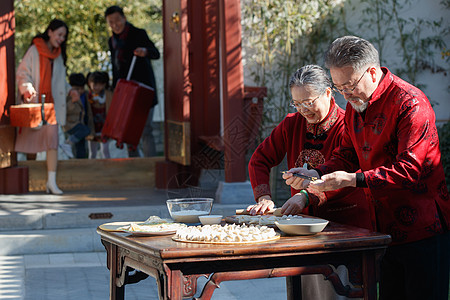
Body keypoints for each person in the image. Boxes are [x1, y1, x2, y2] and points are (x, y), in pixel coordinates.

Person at [284, 36, 450, 300]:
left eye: (349, 85)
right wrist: (317, 173)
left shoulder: (410, 103)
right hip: (381, 230)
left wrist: (352, 180)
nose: (345, 95)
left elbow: (410, 169)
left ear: (372, 72)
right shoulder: (354, 106)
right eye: (339, 88)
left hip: (422, 228)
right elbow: (347, 155)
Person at [248, 65, 371, 300]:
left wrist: (305, 194)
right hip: (300, 226)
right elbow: (259, 160)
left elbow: (344, 175)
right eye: (297, 103)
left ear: (328, 93)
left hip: (343, 226)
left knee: (337, 291)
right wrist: (263, 197)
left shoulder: (348, 125)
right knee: (302, 291)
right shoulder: (292, 124)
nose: (304, 110)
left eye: (308, 102)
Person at [15, 19, 76, 195]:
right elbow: (22, 73)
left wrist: (71, 90)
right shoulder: (34, 50)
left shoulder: (58, 56)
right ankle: (29, 182)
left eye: (64, 36)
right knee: (30, 145)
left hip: (51, 108)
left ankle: (51, 182)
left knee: (53, 143)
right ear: (49, 32)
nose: (62, 39)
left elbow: (60, 82)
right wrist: (27, 88)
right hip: (34, 105)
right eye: (59, 34)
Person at [104, 5, 160, 157]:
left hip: (143, 90)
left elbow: (156, 53)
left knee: (146, 129)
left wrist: (145, 51)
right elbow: (116, 68)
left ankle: (151, 164)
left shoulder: (138, 34)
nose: (115, 25)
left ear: (124, 18)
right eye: (111, 22)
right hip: (125, 93)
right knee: (127, 129)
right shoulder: (112, 41)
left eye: (117, 20)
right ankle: (133, 162)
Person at [62, 73, 93, 159]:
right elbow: (66, 110)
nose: (79, 91)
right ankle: (68, 142)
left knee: (81, 146)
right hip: (71, 124)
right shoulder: (68, 96)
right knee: (85, 131)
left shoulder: (86, 95)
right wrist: (72, 101)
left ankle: (81, 160)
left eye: (82, 88)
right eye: (77, 89)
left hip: (80, 122)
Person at [86, 71, 113, 159]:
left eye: (100, 85)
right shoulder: (87, 96)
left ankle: (108, 166)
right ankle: (91, 169)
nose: (97, 87)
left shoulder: (108, 95)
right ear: (89, 84)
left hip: (104, 127)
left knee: (105, 150)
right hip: (92, 127)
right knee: (92, 151)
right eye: (95, 84)